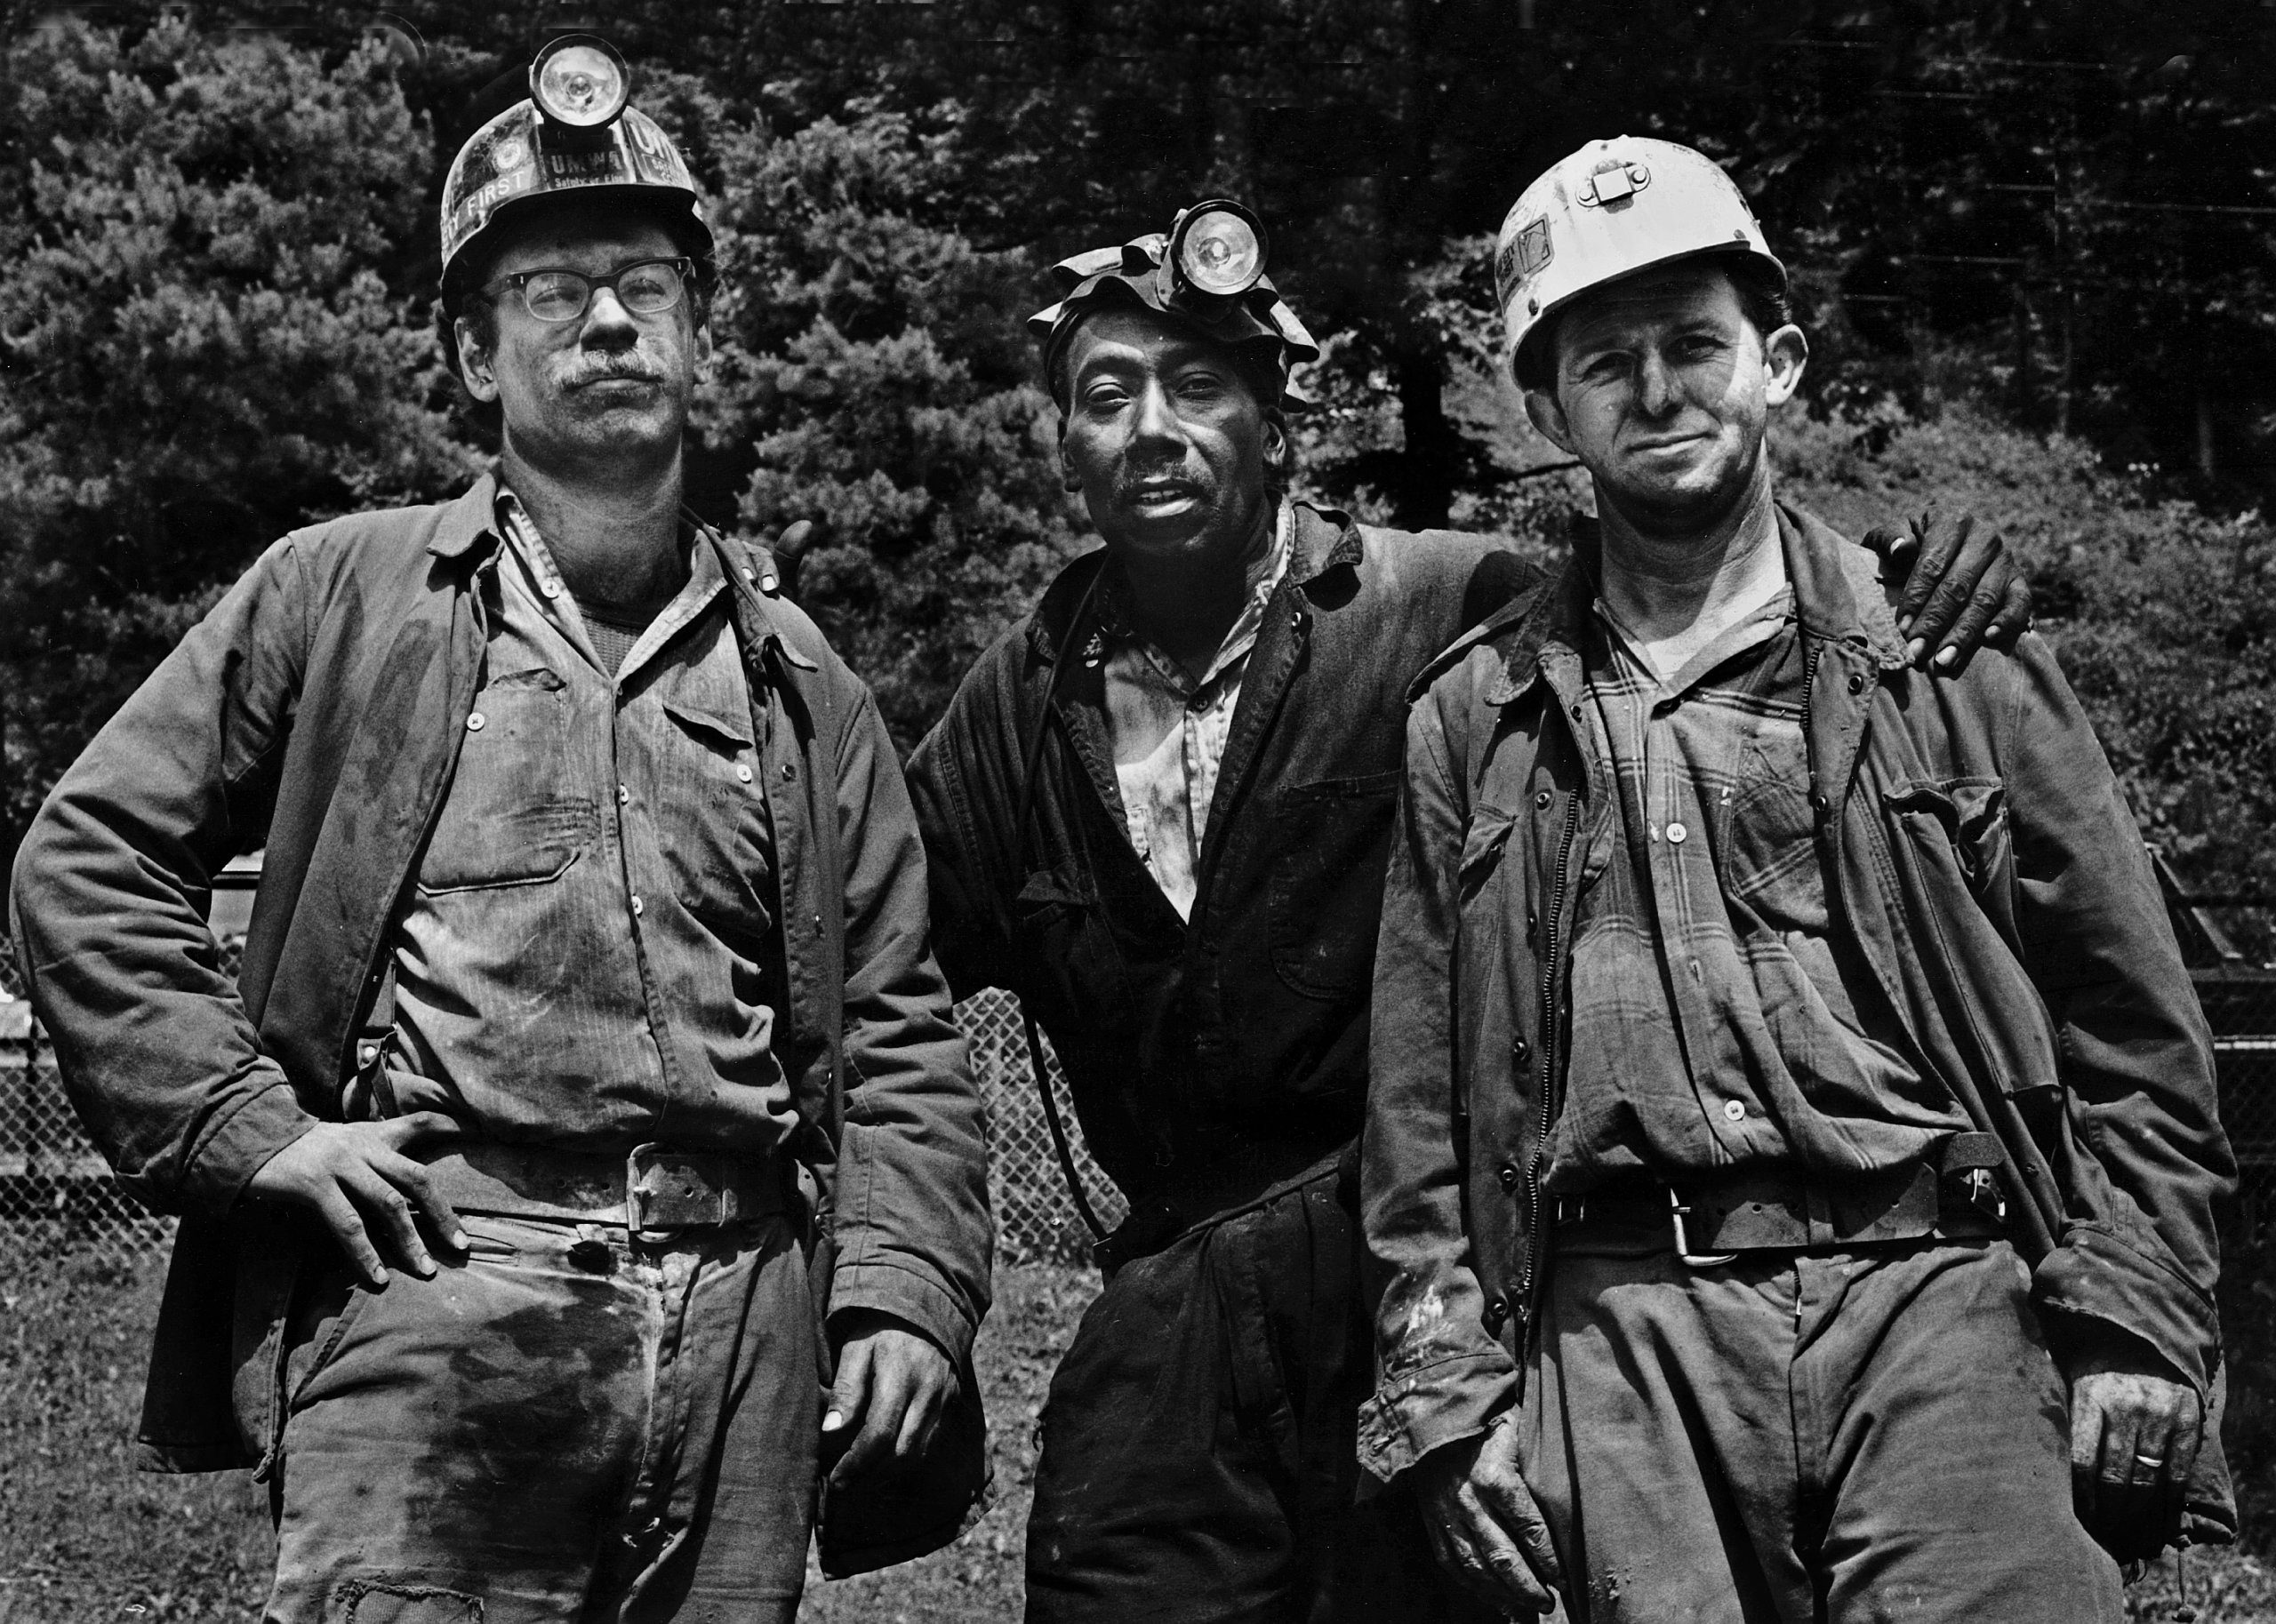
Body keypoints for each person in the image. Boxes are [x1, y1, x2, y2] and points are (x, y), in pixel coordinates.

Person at [904, 197, 2027, 1622]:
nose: (1152, 430)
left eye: (1197, 387)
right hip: (1173, 1308)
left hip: (1421, 1288)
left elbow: (1688, 600)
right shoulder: (1017, 703)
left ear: (1278, 428)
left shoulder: (1445, 606)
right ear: (1065, 444)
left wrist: (1910, 571)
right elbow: (875, 962)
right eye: (1106, 396)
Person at [8, 36, 990, 1623]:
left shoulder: (803, 682)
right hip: (437, 1298)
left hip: (744, 1337)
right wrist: (258, 1130)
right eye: (551, 291)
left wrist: (900, 1287)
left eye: (647, 285)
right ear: (474, 353)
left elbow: (897, 1027)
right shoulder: (343, 594)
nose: (609, 321)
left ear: (700, 331)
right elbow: (87, 857)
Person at [1360, 135, 2237, 1623]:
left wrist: (2138, 1311)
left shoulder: (1951, 662)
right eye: (1605, 361)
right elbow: (1417, 1115)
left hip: (1945, 1301)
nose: (1658, 391)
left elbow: (2134, 1027)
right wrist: (1448, 1394)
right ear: (1547, 410)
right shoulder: (1474, 716)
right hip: (1620, 1341)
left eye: (1695, 344)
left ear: (1777, 362)